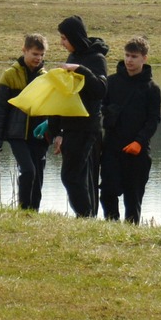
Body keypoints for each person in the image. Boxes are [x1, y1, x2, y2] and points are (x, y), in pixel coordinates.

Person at [50, 14, 108, 218]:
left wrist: (80, 70)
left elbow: (101, 90)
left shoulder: (96, 59)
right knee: (76, 176)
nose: (61, 43)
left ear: (74, 37)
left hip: (88, 127)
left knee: (71, 176)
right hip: (70, 127)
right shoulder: (71, 58)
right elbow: (63, 96)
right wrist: (56, 132)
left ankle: (85, 216)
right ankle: (85, 216)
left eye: (64, 38)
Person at [99, 35, 161, 223]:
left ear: (144, 58)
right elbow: (100, 109)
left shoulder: (152, 89)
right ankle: (111, 227)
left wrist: (139, 142)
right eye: (126, 55)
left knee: (133, 199)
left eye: (134, 56)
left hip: (138, 152)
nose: (129, 60)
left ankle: (131, 233)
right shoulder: (111, 82)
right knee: (107, 193)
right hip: (111, 147)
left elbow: (153, 120)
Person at [0, 33, 50, 210]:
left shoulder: (45, 77)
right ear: (24, 50)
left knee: (38, 175)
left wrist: (54, 132)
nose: (38, 58)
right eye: (34, 54)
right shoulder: (10, 75)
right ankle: (23, 210)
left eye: (41, 55)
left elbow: (51, 109)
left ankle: (34, 212)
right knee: (28, 171)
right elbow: (1, 108)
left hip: (39, 135)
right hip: (17, 134)